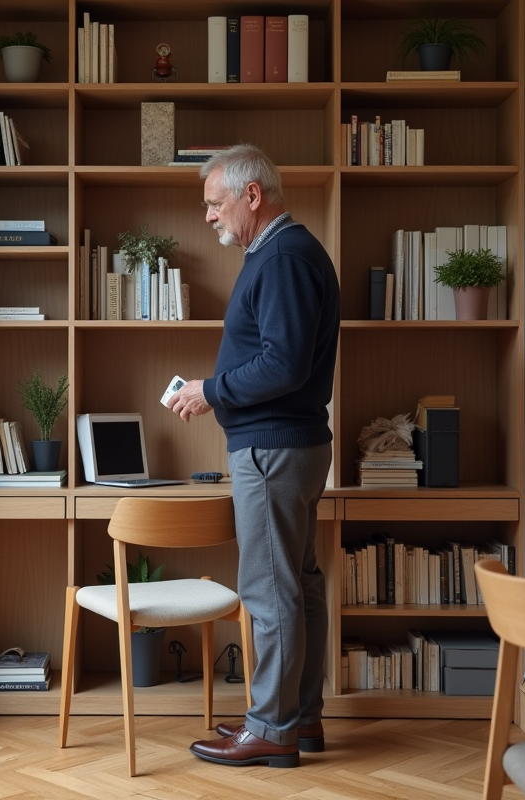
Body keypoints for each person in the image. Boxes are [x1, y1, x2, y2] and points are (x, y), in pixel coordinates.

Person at [166, 143, 340, 768]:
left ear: (252, 195)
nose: (209, 216)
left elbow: (283, 364)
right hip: (287, 445)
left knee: (271, 591)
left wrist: (209, 391)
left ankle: (272, 727)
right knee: (298, 586)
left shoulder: (285, 258)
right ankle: (300, 719)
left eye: (215, 203)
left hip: (272, 449)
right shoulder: (281, 255)